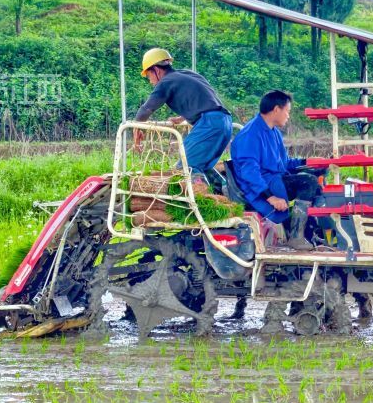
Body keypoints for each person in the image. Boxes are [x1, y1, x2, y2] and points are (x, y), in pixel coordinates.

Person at [230, 90, 319, 251]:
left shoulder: (274, 133)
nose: (288, 116)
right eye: (288, 111)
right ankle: (296, 237)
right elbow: (249, 173)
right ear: (276, 109)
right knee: (308, 182)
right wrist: (270, 197)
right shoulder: (250, 134)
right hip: (262, 187)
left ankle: (310, 231)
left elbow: (283, 163)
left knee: (316, 175)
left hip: (276, 179)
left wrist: (310, 162)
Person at [134, 48, 232, 188]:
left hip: (209, 124)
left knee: (185, 168)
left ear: (156, 69)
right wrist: (182, 117)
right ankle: (227, 199)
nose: (150, 81)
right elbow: (203, 98)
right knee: (202, 166)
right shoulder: (187, 74)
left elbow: (147, 109)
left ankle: (201, 204)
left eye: (149, 75)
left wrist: (137, 128)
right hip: (224, 122)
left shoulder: (166, 82)